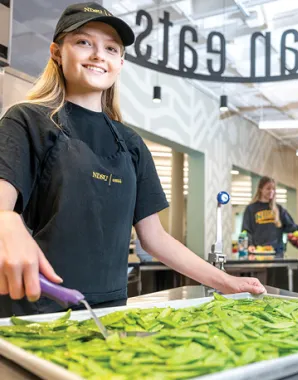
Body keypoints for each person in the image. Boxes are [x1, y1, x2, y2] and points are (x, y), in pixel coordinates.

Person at [0, 3, 265, 317]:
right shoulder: (28, 121)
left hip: (110, 312)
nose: (99, 55)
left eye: (111, 48)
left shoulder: (131, 144)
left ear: (120, 63)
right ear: (57, 52)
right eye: (84, 42)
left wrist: (226, 282)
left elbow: (155, 239)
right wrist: (6, 220)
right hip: (37, 311)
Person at [242, 176, 298, 258]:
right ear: (260, 189)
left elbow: (290, 226)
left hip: (276, 254)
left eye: (273, 189)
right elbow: (246, 230)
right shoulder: (251, 209)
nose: (271, 191)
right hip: (258, 253)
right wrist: (250, 244)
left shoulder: (279, 209)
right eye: (268, 188)